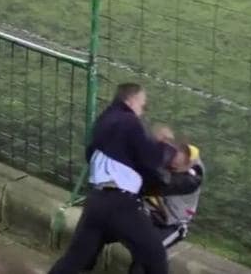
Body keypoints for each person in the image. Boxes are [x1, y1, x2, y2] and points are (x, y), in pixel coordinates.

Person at [48, 83, 180, 274]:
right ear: (132, 100)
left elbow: (91, 153)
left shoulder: (104, 120)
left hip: (96, 201)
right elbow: (150, 160)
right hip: (120, 204)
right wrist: (165, 146)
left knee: (75, 259)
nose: (142, 111)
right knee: (155, 256)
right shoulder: (130, 122)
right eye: (143, 105)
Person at [129, 132, 205, 274]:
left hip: (172, 225)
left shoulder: (192, 178)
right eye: (174, 157)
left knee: (147, 255)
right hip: (150, 213)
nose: (173, 163)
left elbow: (163, 184)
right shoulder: (168, 156)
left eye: (177, 164)